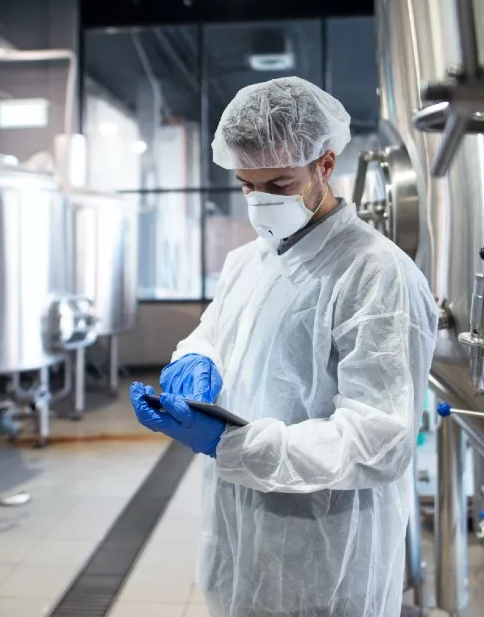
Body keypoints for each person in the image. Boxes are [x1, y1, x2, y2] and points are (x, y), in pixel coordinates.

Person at [130, 76, 438, 617]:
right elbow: (216, 330)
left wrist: (235, 445)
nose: (260, 203)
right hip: (238, 532)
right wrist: (195, 358)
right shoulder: (249, 260)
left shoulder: (376, 274)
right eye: (247, 186)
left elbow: (378, 440)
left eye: (278, 184)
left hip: (326, 551)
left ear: (326, 164)